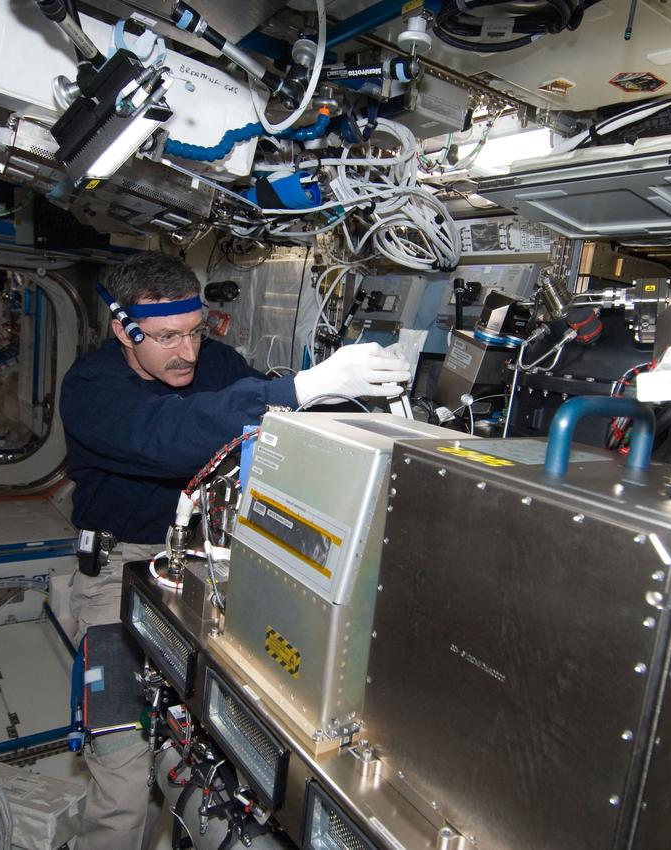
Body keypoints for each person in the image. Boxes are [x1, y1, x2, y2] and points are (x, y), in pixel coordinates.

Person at [57, 251, 411, 850]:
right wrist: (306, 383)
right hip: (118, 577)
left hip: (212, 559)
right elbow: (171, 437)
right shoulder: (92, 387)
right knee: (120, 785)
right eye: (167, 337)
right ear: (124, 330)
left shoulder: (217, 366)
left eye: (195, 331)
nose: (188, 353)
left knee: (210, 742)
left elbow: (259, 417)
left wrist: (344, 400)